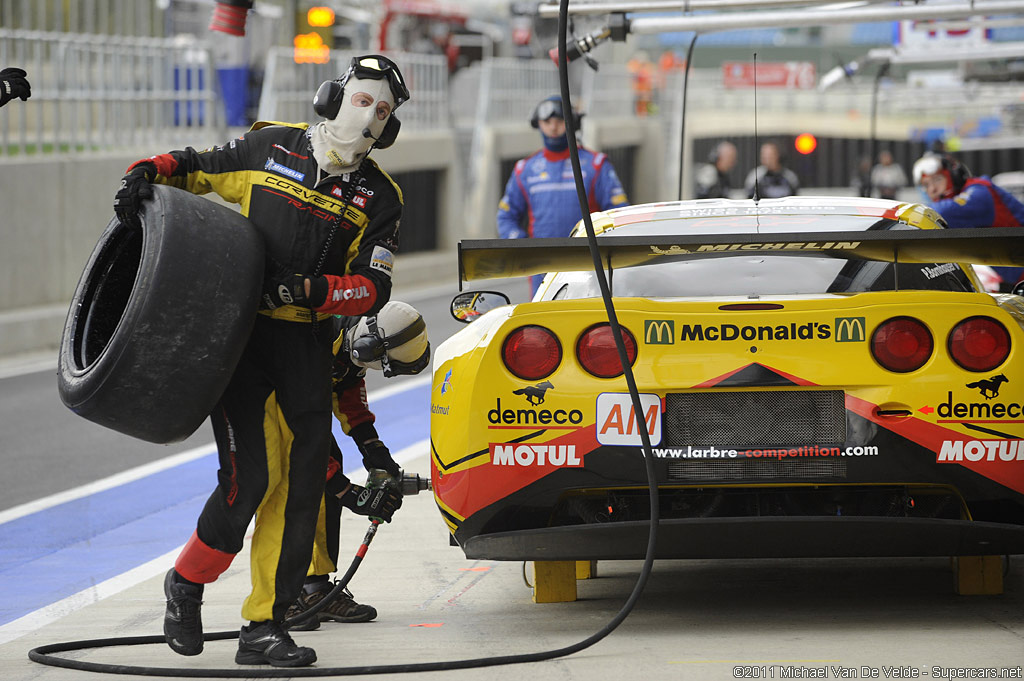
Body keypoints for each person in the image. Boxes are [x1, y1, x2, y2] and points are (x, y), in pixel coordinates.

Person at [112, 54, 409, 668]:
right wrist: (150, 170)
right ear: (334, 95)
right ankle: (187, 583)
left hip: (305, 344)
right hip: (241, 339)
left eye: (383, 111)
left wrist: (311, 292)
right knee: (250, 481)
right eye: (362, 99)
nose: (369, 116)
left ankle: (263, 628)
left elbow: (372, 289)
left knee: (302, 490)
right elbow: (199, 169)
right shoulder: (270, 145)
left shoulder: (382, 195)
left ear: (390, 127)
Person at [286, 301, 430, 630]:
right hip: (264, 410)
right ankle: (280, 597)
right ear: (366, 345)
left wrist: (374, 450)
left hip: (300, 414)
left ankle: (314, 589)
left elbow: (348, 388)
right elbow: (302, 439)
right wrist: (348, 493)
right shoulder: (310, 344)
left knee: (321, 494)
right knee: (290, 489)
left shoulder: (352, 341)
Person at [497, 95, 629, 295]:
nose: (553, 127)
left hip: (590, 268)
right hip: (541, 271)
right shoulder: (525, 169)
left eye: (560, 121)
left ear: (573, 123)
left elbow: (620, 214)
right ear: (538, 124)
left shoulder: (596, 165)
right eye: (547, 122)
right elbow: (505, 217)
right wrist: (522, 245)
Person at [913, 153, 1024, 291]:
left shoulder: (980, 191)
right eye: (926, 184)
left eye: (937, 180)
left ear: (953, 175)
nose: (932, 189)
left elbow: (940, 212)